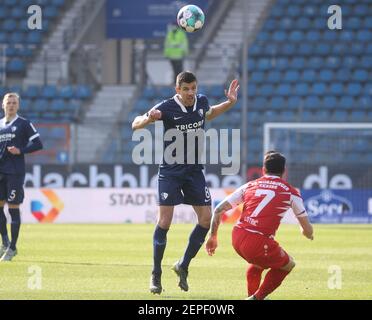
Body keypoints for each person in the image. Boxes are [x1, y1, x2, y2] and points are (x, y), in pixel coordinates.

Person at [132, 71, 239, 294]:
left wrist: (229, 102)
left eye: (193, 88)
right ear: (177, 90)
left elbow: (209, 114)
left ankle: (183, 265)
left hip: (194, 170)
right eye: (186, 89)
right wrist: (149, 118)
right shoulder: (166, 107)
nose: (191, 93)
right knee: (165, 222)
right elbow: (135, 124)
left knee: (206, 219)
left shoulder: (201, 101)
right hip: (171, 171)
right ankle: (156, 274)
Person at [205, 151, 314, 300]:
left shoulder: (250, 185)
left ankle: (253, 295)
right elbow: (308, 230)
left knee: (258, 265)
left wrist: (213, 236)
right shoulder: (290, 192)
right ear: (284, 172)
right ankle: (257, 298)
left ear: (263, 170)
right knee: (288, 265)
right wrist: (306, 232)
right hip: (257, 241)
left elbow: (218, 210)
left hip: (237, 237)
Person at [0, 93, 43, 262]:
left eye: (14, 103)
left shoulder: (24, 124)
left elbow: (38, 143)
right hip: (0, 172)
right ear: (3, 105)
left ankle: (12, 248)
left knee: (13, 209)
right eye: (8, 102)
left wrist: (20, 151)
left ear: (18, 106)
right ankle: (5, 242)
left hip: (15, 173)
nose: (11, 105)